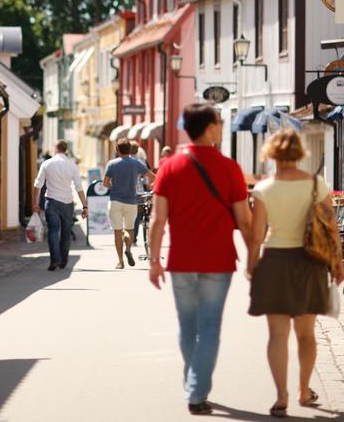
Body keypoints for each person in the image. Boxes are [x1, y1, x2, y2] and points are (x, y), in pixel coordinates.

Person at [148, 103, 251, 416]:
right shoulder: (229, 168)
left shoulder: (169, 167)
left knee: (187, 325)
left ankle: (193, 380)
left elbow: (157, 219)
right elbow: (244, 220)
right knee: (209, 328)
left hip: (180, 260)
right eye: (219, 123)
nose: (221, 128)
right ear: (208, 128)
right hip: (218, 261)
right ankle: (196, 391)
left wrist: (154, 259)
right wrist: (254, 256)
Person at [247, 130, 344, 418]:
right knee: (306, 334)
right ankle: (304, 390)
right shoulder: (317, 185)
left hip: (275, 261)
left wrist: (251, 264)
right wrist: (338, 261)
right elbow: (331, 227)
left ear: (272, 153)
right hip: (310, 263)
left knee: (277, 334)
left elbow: (256, 235)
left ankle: (281, 396)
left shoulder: (264, 189)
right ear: (300, 152)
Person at [33, 140, 88, 271]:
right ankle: (63, 260)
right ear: (66, 150)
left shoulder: (47, 163)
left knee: (53, 230)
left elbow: (38, 184)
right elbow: (79, 187)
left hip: (51, 201)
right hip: (67, 202)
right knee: (66, 232)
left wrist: (35, 203)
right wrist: (84, 205)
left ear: (55, 149)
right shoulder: (72, 165)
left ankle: (55, 260)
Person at [103, 138, 154, 268]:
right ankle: (128, 249)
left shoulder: (111, 164)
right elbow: (153, 176)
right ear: (130, 150)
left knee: (117, 232)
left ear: (117, 149)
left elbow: (105, 183)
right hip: (132, 201)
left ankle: (120, 261)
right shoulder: (136, 163)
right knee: (130, 229)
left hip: (115, 201)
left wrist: (114, 186)